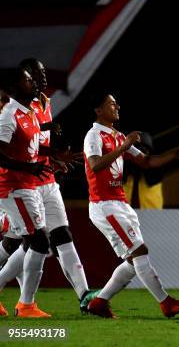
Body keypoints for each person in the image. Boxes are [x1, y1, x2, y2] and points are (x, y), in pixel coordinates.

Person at [84, 92, 179, 319]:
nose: (117, 106)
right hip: (104, 206)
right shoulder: (93, 135)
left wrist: (175, 154)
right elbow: (95, 166)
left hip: (120, 204)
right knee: (139, 252)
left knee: (132, 261)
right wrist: (124, 146)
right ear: (98, 110)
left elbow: (147, 161)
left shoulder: (117, 136)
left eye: (116, 102)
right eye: (111, 103)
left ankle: (99, 302)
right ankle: (166, 303)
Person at [21, 58, 99, 312]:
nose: (42, 77)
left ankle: (84, 295)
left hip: (48, 181)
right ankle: (24, 303)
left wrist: (54, 157)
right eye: (36, 73)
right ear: (26, 78)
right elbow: (19, 146)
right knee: (21, 245)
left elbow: (38, 145)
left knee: (62, 236)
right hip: (24, 185)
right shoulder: (18, 106)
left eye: (43, 73)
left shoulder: (46, 102)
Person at [0, 68, 54, 317]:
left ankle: (26, 303)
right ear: (13, 86)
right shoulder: (8, 114)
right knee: (39, 241)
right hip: (13, 187)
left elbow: (29, 150)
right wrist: (27, 167)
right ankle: (26, 305)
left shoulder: (30, 112)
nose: (33, 81)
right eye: (27, 79)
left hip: (27, 185)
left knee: (19, 243)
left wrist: (51, 161)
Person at [123, 132, 164, 209]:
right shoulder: (124, 166)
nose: (140, 153)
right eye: (137, 149)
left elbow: (152, 178)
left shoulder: (155, 168)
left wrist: (145, 161)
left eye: (144, 149)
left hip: (151, 213)